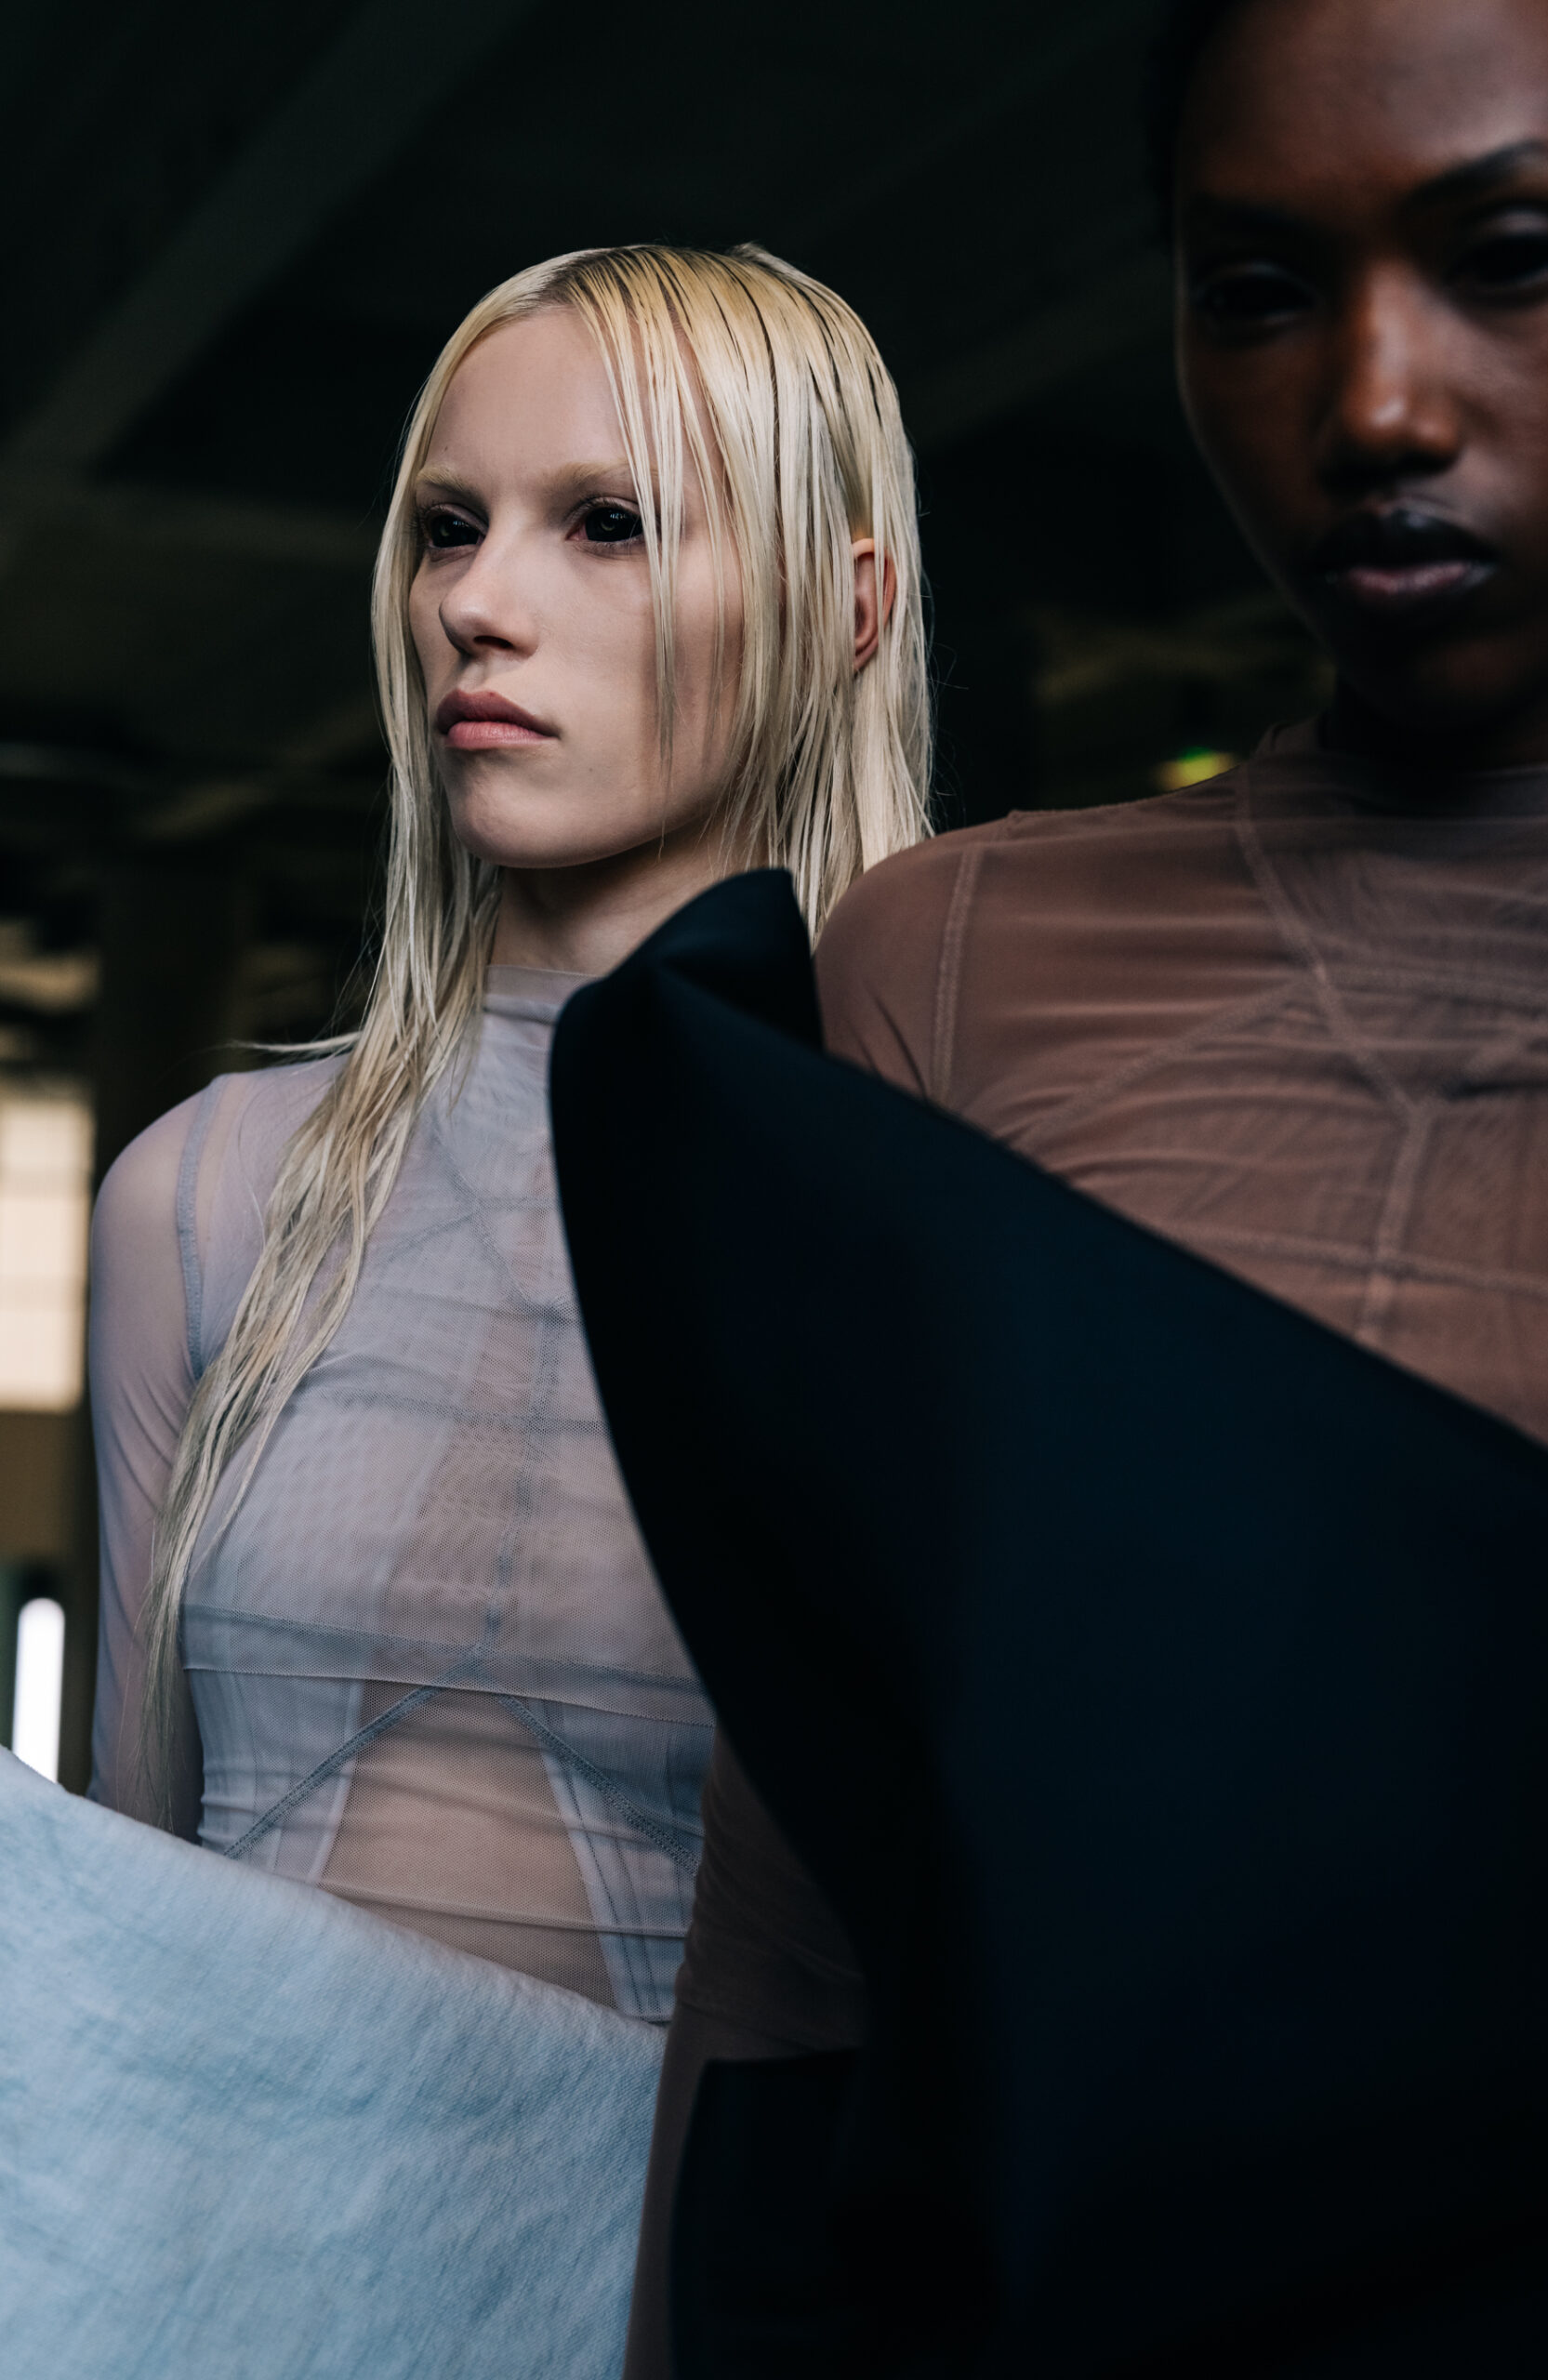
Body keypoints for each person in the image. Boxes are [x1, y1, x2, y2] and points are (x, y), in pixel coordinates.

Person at [627, 0, 1548, 2365]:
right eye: (1259, 290)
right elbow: (798, 1934)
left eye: (1508, 256)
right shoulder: (944, 957)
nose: (1378, 403)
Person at [86, 242, 929, 2022]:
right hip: (223, 2194)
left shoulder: (938, 1207)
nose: (478, 599)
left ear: (844, 605)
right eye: (449, 527)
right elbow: (118, 1923)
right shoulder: (207, 1193)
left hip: (716, 2204)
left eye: (605, 523)